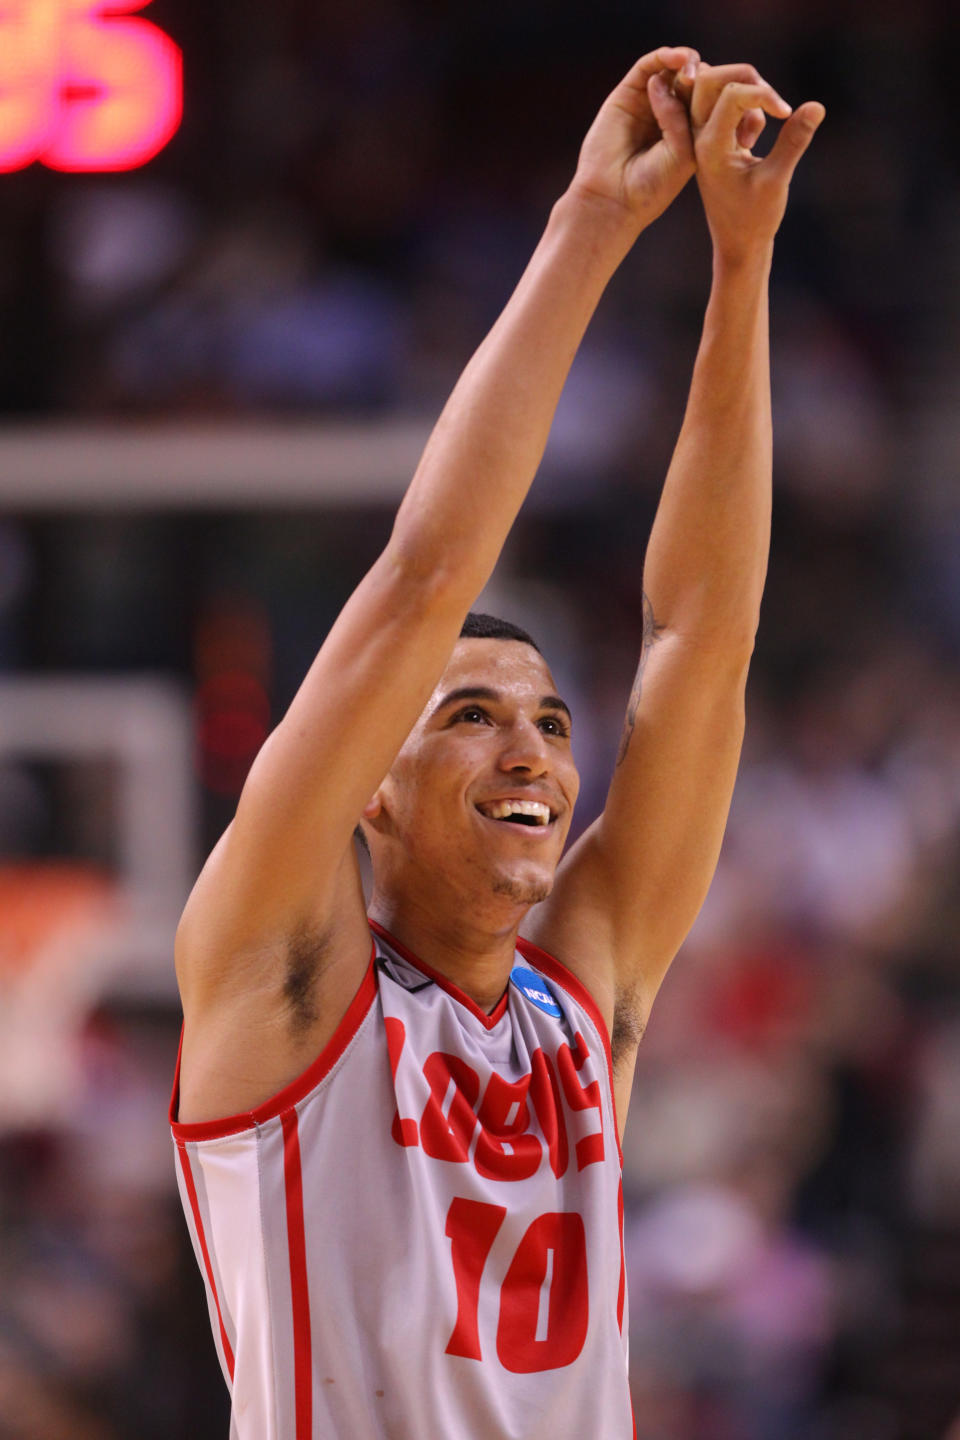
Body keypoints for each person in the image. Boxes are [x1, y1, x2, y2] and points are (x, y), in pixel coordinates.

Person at [170, 44, 824, 1439]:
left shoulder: (581, 1004)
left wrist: (740, 265)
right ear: (373, 797)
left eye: (547, 720)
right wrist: (592, 227)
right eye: (469, 717)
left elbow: (700, 645)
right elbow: (424, 577)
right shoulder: (282, 978)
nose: (531, 750)